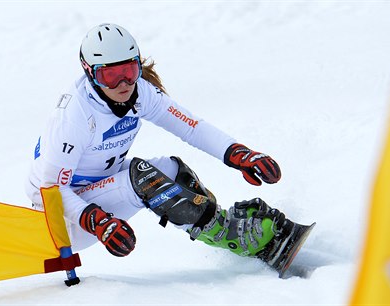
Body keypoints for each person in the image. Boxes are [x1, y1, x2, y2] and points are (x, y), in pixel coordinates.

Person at [25, 23, 313, 277]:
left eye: (129, 70)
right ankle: (236, 237)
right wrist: (97, 221)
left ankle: (229, 229)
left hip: (97, 187)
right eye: (110, 76)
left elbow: (190, 127)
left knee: (171, 171)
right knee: (145, 179)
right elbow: (49, 190)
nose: (124, 83)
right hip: (60, 219)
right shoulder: (74, 117)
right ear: (90, 74)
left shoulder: (141, 93)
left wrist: (238, 154)